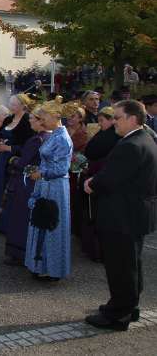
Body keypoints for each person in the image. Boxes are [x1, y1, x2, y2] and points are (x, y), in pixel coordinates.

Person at [84, 100, 157, 331]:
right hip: (134, 213)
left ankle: (118, 314)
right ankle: (129, 307)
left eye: (118, 117)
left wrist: (91, 183)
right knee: (131, 265)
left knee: (120, 267)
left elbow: (110, 178)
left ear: (133, 119)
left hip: (122, 215)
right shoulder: (145, 138)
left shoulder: (131, 145)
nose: (114, 121)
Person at [25, 97, 73, 281]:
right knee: (41, 220)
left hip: (55, 187)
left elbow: (62, 169)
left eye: (44, 116)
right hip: (46, 184)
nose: (42, 119)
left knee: (51, 223)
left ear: (55, 116)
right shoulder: (55, 134)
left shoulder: (62, 138)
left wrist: (41, 173)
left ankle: (52, 268)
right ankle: (40, 264)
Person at [2, 110, 48, 265]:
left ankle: (21, 253)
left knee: (21, 217)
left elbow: (24, 162)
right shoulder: (47, 137)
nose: (30, 122)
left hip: (27, 182)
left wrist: (13, 160)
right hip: (37, 181)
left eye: (32, 120)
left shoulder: (37, 140)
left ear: (41, 121)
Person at [0, 94, 35, 233]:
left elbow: (28, 145)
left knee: (11, 190)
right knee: (0, 187)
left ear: (23, 106)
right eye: (10, 104)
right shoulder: (9, 118)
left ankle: (9, 223)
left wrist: (9, 148)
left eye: (14, 104)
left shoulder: (27, 121)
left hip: (15, 161)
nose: (11, 107)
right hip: (3, 159)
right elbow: (0, 135)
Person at [80, 107, 120, 261]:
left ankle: (100, 251)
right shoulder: (104, 133)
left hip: (101, 178)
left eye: (102, 121)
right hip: (95, 175)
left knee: (100, 217)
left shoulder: (114, 136)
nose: (99, 124)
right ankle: (94, 249)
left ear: (111, 120)